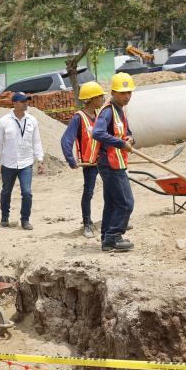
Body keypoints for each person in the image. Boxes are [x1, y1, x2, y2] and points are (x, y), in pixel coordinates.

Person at [92, 73, 136, 252]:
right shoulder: (108, 111)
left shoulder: (120, 111)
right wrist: (120, 143)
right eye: (122, 93)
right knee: (126, 202)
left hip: (117, 161)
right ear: (113, 92)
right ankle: (114, 236)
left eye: (129, 93)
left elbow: (127, 132)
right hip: (109, 163)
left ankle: (107, 238)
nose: (126, 96)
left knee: (112, 202)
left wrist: (130, 139)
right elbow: (97, 133)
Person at [0, 92, 45, 230]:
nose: (26, 103)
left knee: (27, 192)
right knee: (6, 191)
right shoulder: (4, 121)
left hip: (26, 163)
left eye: (27, 101)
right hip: (8, 163)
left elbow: (36, 141)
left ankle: (25, 219)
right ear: (14, 103)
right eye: (22, 101)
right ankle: (4, 217)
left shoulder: (32, 120)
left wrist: (40, 160)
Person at [61, 81, 107, 239]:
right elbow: (66, 140)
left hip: (105, 161)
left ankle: (113, 220)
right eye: (100, 96)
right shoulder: (78, 118)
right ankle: (87, 223)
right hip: (90, 163)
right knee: (88, 192)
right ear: (92, 99)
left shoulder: (101, 115)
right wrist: (70, 159)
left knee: (112, 190)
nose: (102, 99)